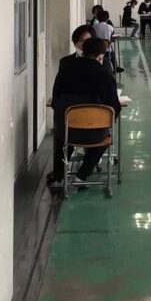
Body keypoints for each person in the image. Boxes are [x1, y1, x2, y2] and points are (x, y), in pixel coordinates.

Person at [49, 37, 121, 193]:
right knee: (106, 137)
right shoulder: (105, 77)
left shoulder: (65, 71)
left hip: (67, 132)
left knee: (60, 138)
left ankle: (58, 178)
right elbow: (114, 109)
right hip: (96, 135)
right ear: (100, 57)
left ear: (82, 52)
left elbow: (55, 102)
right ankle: (82, 176)